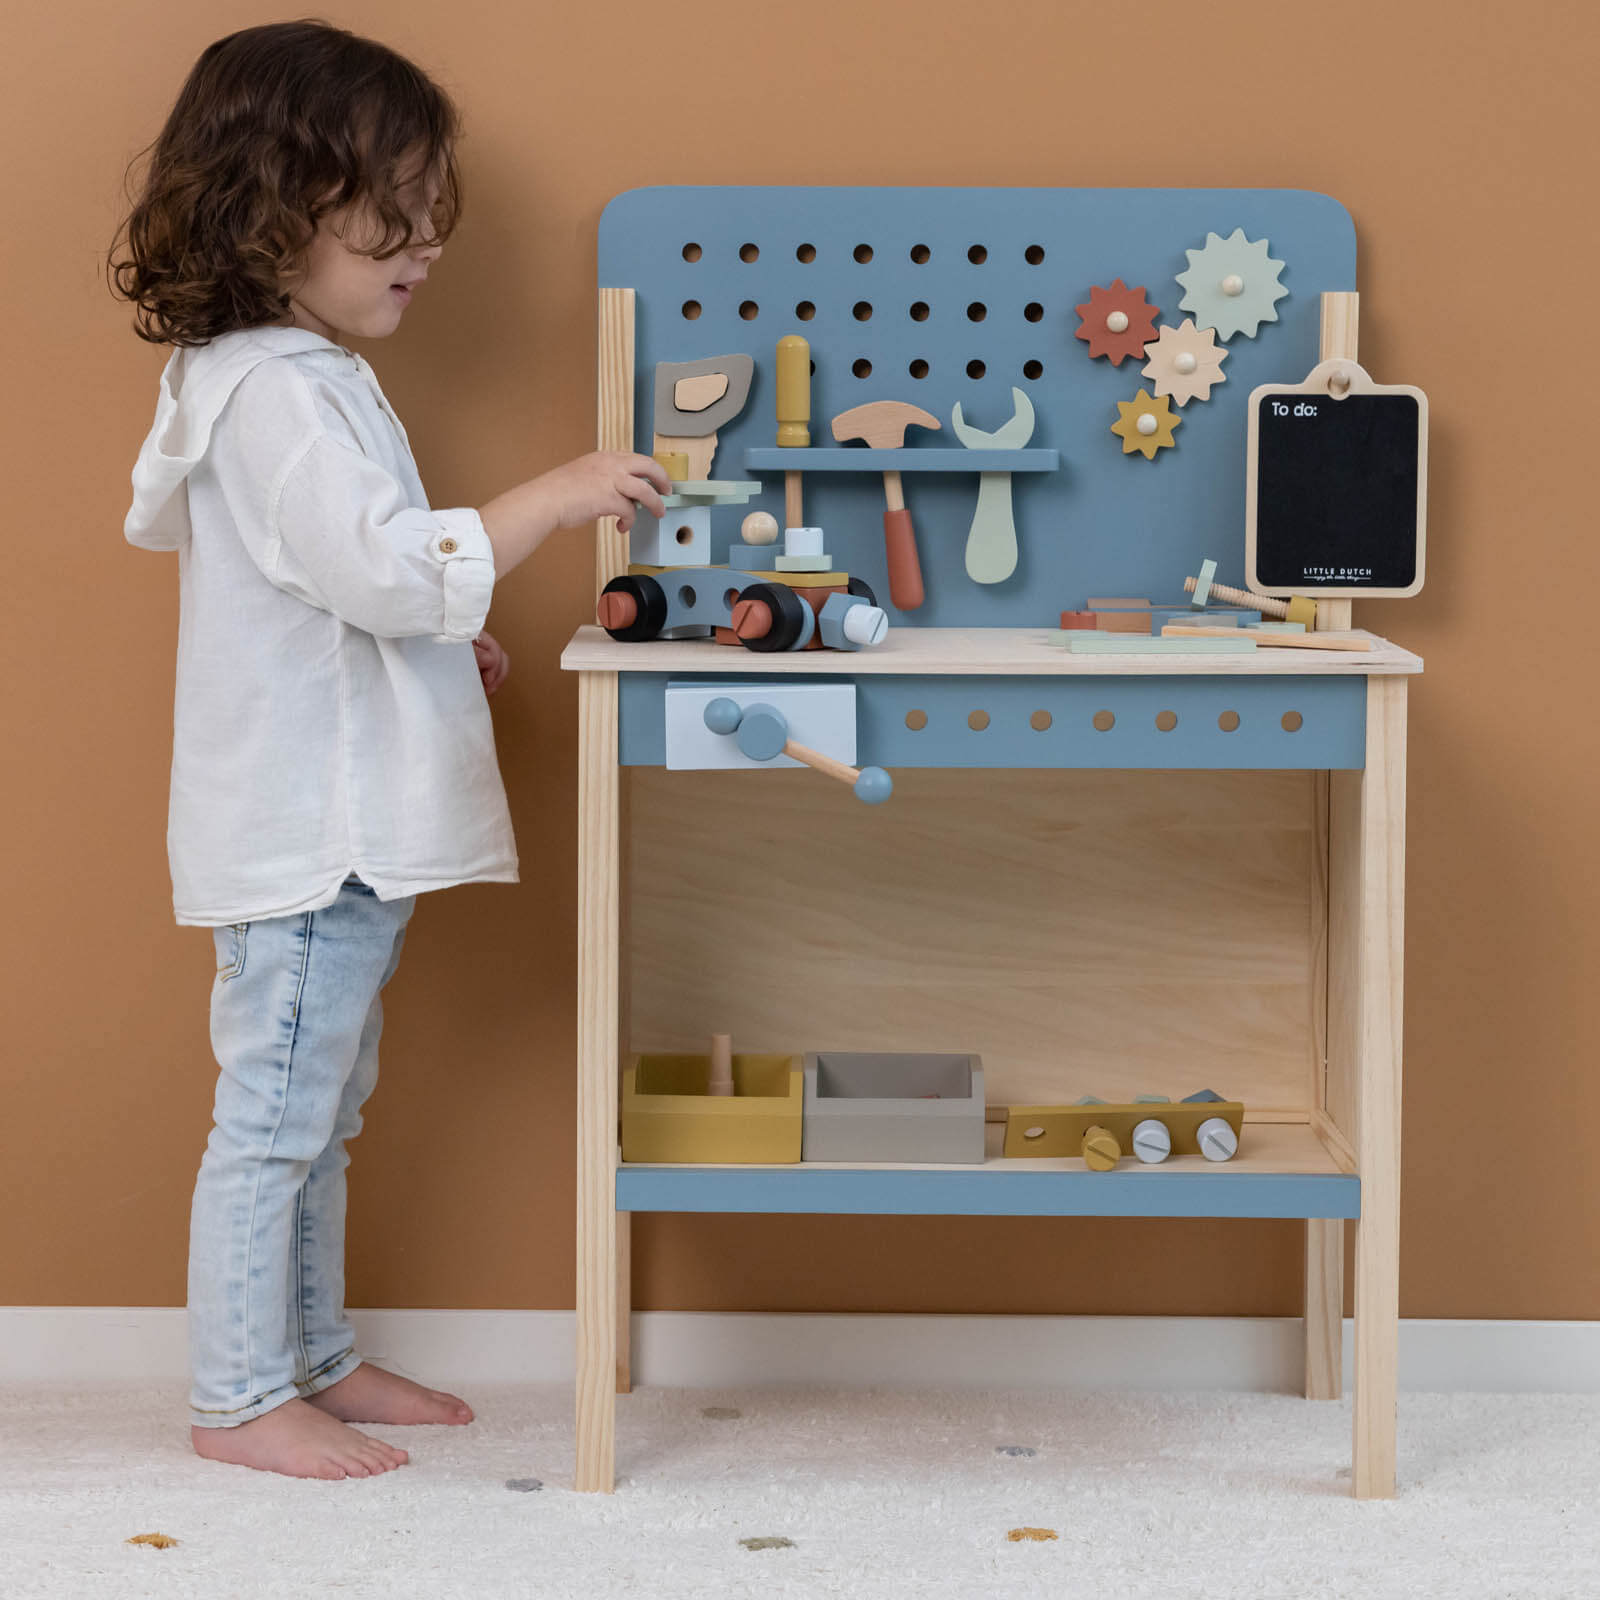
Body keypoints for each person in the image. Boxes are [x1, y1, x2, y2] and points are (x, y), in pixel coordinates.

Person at [111, 20, 668, 1481]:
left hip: (332, 819)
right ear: (271, 205)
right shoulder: (278, 392)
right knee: (279, 1119)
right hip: (312, 831)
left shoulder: (290, 373)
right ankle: (241, 1394)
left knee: (321, 1109)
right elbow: (371, 565)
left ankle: (308, 1358)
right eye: (389, 213)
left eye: (430, 209)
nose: (424, 241)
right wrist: (546, 498)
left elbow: (337, 590)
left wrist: (436, 635)